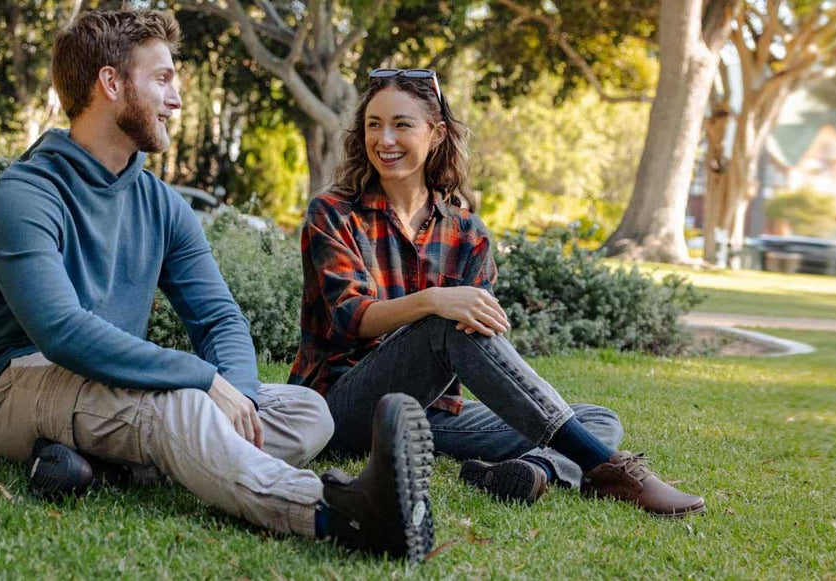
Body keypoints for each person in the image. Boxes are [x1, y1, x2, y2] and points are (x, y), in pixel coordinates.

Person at [0, 10, 438, 560]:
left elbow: (219, 318)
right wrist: (203, 381)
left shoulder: (160, 204)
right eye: (161, 79)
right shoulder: (25, 196)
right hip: (15, 386)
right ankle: (340, 513)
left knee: (309, 411)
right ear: (111, 84)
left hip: (116, 386)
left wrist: (241, 396)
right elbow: (62, 332)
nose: (176, 98)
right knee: (183, 406)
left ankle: (111, 467)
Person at [289, 68, 706, 516]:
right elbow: (351, 317)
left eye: (401, 124)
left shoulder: (468, 232)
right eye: (374, 124)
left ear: (436, 133)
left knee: (596, 418)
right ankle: (610, 471)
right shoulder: (332, 212)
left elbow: (476, 335)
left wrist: (454, 317)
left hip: (434, 417)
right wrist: (434, 302)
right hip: (343, 407)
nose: (385, 139)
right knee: (445, 324)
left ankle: (535, 471)